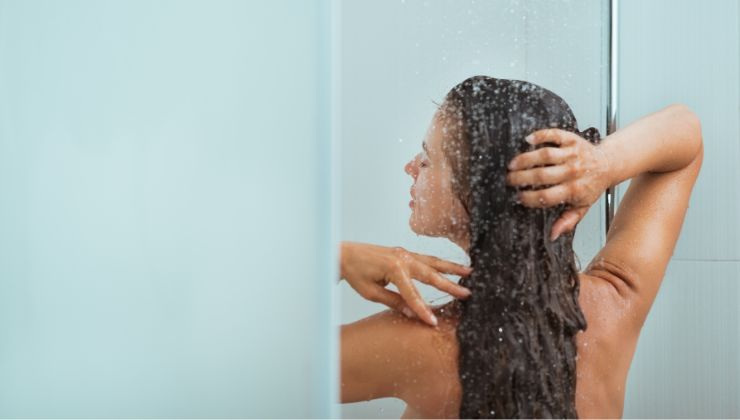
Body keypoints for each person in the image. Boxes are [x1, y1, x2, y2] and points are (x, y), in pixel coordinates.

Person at [339, 76, 703, 418]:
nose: (410, 168)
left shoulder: (420, 344)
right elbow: (685, 132)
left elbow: (284, 372)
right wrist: (602, 164)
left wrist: (337, 258)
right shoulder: (615, 301)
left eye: (428, 158)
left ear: (482, 196)